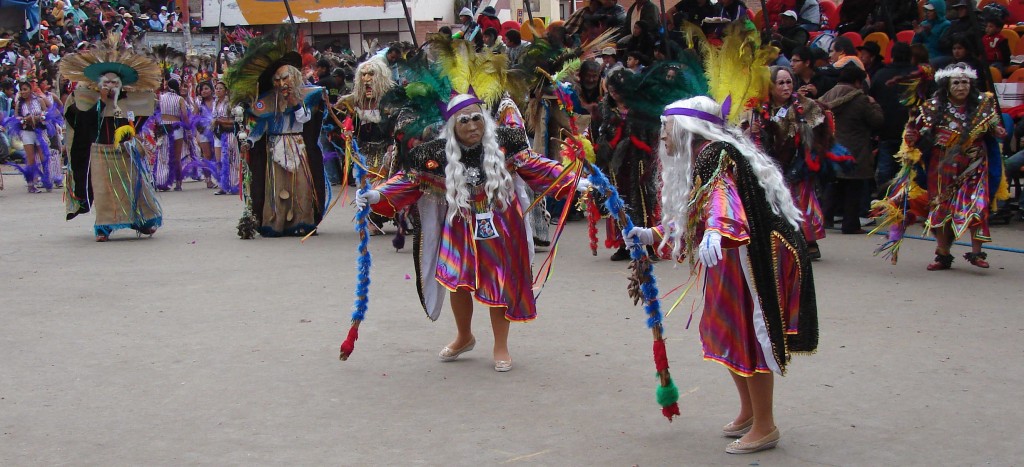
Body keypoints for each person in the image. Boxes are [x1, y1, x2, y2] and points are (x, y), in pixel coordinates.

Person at [625, 95, 817, 454]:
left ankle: (765, 425)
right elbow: (697, 211)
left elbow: (722, 198)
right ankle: (749, 411)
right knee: (728, 330)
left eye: (666, 129)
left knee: (748, 336)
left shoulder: (714, 152)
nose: (662, 137)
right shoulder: (703, 154)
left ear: (686, 128)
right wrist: (653, 235)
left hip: (747, 255)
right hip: (729, 256)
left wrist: (718, 229)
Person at [354, 91, 581, 372]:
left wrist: (572, 180)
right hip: (459, 224)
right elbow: (409, 181)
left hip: (501, 225)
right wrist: (377, 196)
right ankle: (465, 336)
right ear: (452, 126)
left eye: (477, 118)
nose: (473, 126)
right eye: (464, 121)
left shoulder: (506, 144)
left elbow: (534, 165)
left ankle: (501, 345)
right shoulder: (435, 155)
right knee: (457, 280)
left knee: (499, 282)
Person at [875, 63, 1009, 270]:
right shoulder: (932, 107)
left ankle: (977, 253)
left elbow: (992, 128)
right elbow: (917, 137)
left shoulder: (984, 104)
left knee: (977, 206)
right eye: (956, 82)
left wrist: (997, 131)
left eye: (965, 82)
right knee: (940, 208)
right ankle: (943, 254)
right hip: (941, 166)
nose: (961, 86)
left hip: (975, 164)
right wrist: (912, 137)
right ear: (947, 85)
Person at [60, 33, 163, 241]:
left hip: (125, 151)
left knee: (135, 189)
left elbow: (139, 121)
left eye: (114, 83)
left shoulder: (130, 102)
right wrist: (102, 103)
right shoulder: (89, 102)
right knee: (104, 194)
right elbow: (83, 124)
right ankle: (104, 227)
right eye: (106, 83)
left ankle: (141, 221)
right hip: (100, 152)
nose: (110, 86)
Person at [230, 41, 329, 238]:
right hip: (275, 147)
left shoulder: (305, 96)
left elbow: (305, 119)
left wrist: (295, 103)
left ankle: (303, 221)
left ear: (293, 78)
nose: (282, 84)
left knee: (301, 185)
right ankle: (277, 223)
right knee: (277, 188)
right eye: (277, 80)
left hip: (297, 146)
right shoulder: (268, 102)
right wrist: (248, 142)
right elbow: (261, 127)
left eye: (285, 78)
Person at [750, 66, 835, 259]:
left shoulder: (807, 106)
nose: (786, 86)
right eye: (781, 83)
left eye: (789, 82)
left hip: (800, 163)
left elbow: (820, 137)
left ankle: (809, 240)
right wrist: (755, 130)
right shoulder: (759, 109)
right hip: (771, 163)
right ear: (770, 87)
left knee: (801, 200)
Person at [336, 56, 397, 236]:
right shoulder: (355, 101)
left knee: (389, 183)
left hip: (388, 148)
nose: (366, 79)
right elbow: (348, 123)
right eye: (363, 75)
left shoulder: (391, 99)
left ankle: (399, 218)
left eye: (371, 74)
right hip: (365, 151)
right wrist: (347, 131)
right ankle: (370, 220)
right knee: (367, 185)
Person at [818, 64, 883, 234]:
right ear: (857, 81)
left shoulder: (827, 95)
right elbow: (876, 121)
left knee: (833, 186)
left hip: (833, 148)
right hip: (856, 150)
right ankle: (851, 224)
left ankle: (824, 219)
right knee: (854, 189)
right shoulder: (861, 99)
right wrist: (875, 105)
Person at [913, 0, 950, 66]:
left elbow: (940, 46)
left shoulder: (946, 25)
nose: (927, 12)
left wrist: (929, 34)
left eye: (930, 10)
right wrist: (918, 34)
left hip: (938, 56)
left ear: (938, 11)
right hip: (923, 56)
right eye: (926, 10)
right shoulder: (924, 23)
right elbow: (915, 45)